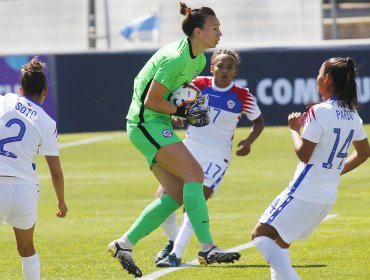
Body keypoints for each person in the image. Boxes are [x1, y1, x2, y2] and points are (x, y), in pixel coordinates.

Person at [107, 2, 240, 277]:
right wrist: (182, 111)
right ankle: (206, 247)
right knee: (195, 173)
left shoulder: (200, 59)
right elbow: (151, 100)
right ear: (198, 32)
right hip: (145, 123)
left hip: (156, 122)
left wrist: (179, 106)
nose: (220, 32)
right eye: (215, 28)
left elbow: (166, 96)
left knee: (177, 194)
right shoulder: (176, 58)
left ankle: (124, 244)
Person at [251, 57, 370, 280]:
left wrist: (294, 129)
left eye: (319, 72)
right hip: (327, 196)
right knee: (281, 242)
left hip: (303, 190)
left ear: (325, 79)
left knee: (260, 235)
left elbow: (304, 155)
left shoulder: (318, 111)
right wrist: (337, 170)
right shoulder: (353, 115)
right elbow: (364, 152)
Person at [154, 49, 265, 267]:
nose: (224, 70)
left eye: (229, 67)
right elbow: (175, 106)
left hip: (216, 157)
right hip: (188, 149)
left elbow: (259, 122)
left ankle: (175, 254)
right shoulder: (197, 84)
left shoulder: (243, 96)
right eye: (220, 65)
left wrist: (249, 142)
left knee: (193, 203)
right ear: (212, 66)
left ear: (235, 71)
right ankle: (172, 242)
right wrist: (176, 115)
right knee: (163, 197)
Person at [0, 57, 67, 280]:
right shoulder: (47, 122)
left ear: (20, 88)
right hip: (25, 190)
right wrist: (61, 202)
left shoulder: (7, 100)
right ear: (45, 91)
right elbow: (56, 173)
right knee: (26, 249)